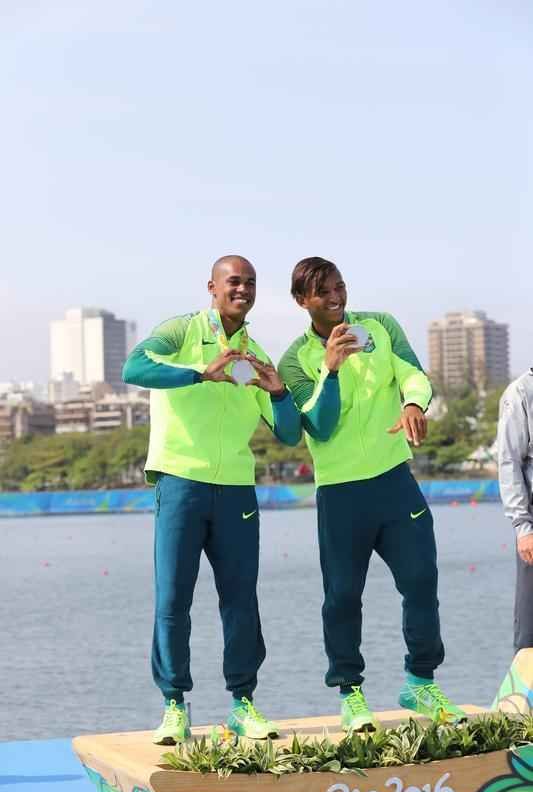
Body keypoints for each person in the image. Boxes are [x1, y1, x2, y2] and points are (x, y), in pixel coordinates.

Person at [278, 256, 464, 732]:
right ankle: (351, 692)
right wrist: (332, 369)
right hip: (340, 494)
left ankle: (421, 681)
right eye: (323, 292)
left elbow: (415, 374)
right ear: (303, 301)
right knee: (342, 596)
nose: (336, 297)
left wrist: (412, 403)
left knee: (421, 578)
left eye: (339, 286)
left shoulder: (380, 326)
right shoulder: (294, 360)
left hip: (393, 480)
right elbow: (316, 426)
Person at [122, 255, 301, 744]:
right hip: (180, 483)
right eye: (233, 281)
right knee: (173, 600)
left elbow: (287, 435)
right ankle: (174, 706)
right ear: (212, 287)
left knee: (240, 601)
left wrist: (280, 392)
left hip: (237, 491)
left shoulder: (254, 353)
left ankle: (243, 703)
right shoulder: (182, 333)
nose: (242, 289)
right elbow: (133, 367)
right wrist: (202, 373)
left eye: (250, 283)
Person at [497, 369, 533, 652]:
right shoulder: (520, 393)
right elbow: (509, 462)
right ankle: (523, 694)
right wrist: (523, 528)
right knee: (529, 629)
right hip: (531, 525)